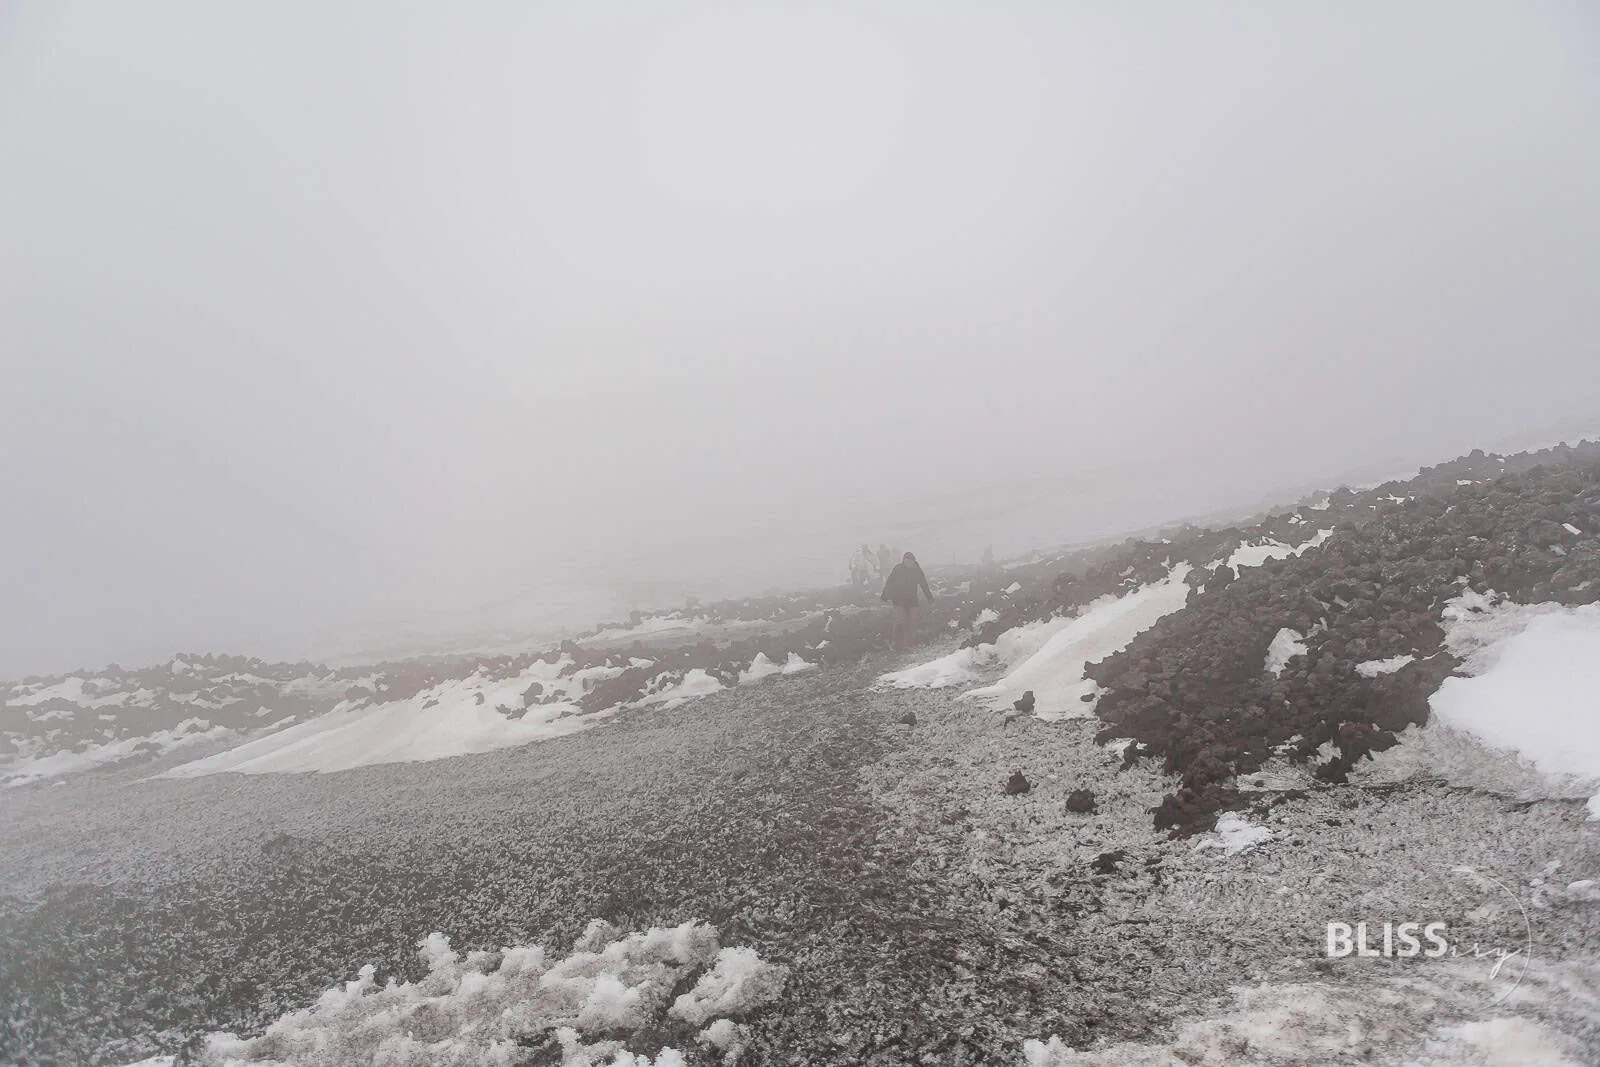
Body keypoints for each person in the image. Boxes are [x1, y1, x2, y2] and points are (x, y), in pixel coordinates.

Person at [880, 551, 934, 649]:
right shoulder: (898, 568)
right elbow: (889, 582)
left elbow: (924, 585)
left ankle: (907, 644)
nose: (908, 563)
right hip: (898, 600)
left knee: (912, 622)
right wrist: (885, 596)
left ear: (913, 561)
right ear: (903, 560)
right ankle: (895, 642)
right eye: (906, 560)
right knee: (900, 621)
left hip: (912, 600)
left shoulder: (917, 571)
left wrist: (930, 598)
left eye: (910, 561)